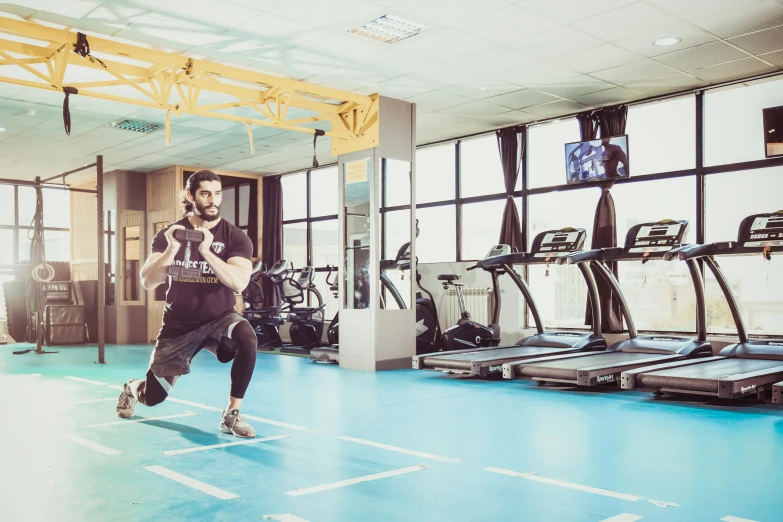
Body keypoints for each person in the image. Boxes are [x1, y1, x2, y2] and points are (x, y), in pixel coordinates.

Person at [115, 170, 258, 438]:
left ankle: (231, 414)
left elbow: (238, 283)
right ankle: (132, 387)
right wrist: (171, 249)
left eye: (217, 194)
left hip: (219, 319)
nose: (212, 200)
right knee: (153, 397)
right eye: (205, 194)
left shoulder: (236, 237)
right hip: (178, 326)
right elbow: (148, 281)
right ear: (190, 196)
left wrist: (206, 251)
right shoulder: (169, 234)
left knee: (247, 337)